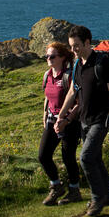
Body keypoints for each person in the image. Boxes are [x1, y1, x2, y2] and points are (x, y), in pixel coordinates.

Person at [54, 25, 109, 217]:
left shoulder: (103, 63)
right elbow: (73, 91)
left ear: (87, 42)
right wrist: (61, 116)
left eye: (76, 45)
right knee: (95, 158)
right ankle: (106, 195)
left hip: (102, 119)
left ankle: (96, 198)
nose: (73, 49)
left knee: (86, 157)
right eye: (71, 46)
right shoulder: (77, 65)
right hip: (85, 119)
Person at [38, 42, 82, 205]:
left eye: (52, 56)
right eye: (47, 56)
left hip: (70, 122)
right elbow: (47, 96)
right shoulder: (47, 75)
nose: (48, 59)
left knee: (68, 157)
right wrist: (45, 115)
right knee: (43, 155)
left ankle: (74, 190)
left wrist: (67, 119)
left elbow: (79, 102)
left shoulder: (69, 76)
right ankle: (56, 186)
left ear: (63, 58)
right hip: (52, 119)